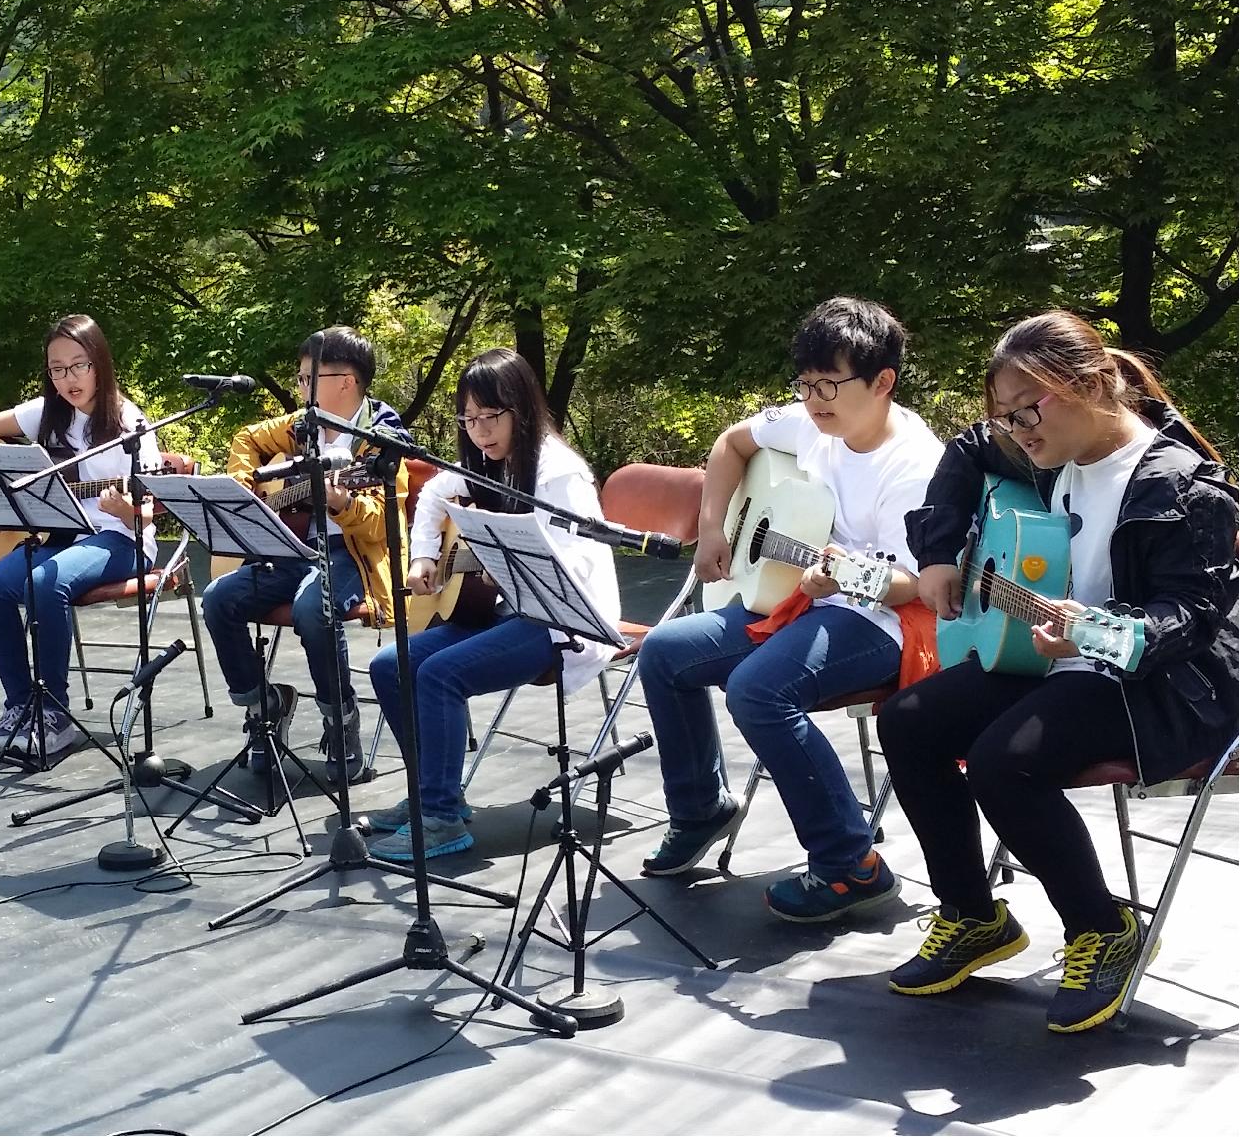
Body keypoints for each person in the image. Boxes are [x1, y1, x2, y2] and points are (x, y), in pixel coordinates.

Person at [878, 310, 1236, 1033]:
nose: (1017, 431)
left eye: (1028, 410)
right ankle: (974, 916)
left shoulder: (1184, 485)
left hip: (1164, 683)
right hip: (1062, 655)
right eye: (1008, 417)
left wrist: (1100, 634)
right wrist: (941, 553)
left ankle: (1103, 931)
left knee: (1001, 763)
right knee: (909, 721)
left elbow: (1192, 618)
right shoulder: (1044, 450)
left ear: (1091, 385)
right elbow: (966, 450)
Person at [633, 296, 944, 921]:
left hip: (879, 618)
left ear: (883, 381)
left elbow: (911, 586)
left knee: (757, 690)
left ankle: (849, 863)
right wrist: (715, 526)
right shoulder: (811, 422)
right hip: (794, 593)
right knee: (664, 651)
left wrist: (843, 582)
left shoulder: (915, 465)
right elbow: (730, 443)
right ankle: (701, 810)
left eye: (829, 383)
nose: (814, 398)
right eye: (804, 384)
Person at [363, 347, 621, 860]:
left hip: (562, 622)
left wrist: (500, 565)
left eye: (491, 416)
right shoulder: (485, 462)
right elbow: (434, 494)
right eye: (469, 418)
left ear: (521, 409)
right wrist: (424, 556)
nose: (479, 431)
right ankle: (435, 795)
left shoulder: (558, 476)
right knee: (390, 665)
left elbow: (568, 571)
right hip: (506, 611)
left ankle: (440, 820)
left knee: (439, 675)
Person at [202, 325, 409, 781]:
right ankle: (264, 705)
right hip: (291, 548)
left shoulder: (383, 440)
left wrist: (343, 503)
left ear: (346, 382)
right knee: (218, 598)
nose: (300, 389)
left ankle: (342, 720)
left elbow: (382, 525)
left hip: (352, 556)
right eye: (299, 380)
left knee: (312, 608)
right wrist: (247, 494)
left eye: (306, 380)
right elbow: (246, 438)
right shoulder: (301, 425)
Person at [0, 314, 158, 760]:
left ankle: (54, 714)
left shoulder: (131, 426)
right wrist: (8, 487)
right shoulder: (48, 411)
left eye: (78, 366)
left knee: (45, 583)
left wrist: (125, 512)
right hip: (61, 535)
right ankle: (20, 707)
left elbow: (147, 515)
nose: (67, 379)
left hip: (120, 540)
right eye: (57, 369)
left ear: (100, 364)